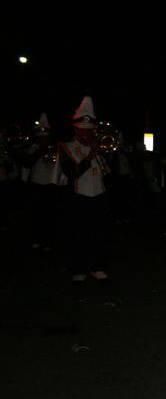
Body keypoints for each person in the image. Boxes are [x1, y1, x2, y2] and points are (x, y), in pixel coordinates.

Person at [57, 97, 113, 282]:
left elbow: (112, 172)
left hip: (99, 195)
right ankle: (79, 269)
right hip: (78, 196)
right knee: (79, 235)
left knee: (101, 234)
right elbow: (70, 172)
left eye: (90, 130)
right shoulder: (66, 146)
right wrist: (89, 157)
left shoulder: (99, 146)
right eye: (83, 130)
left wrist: (106, 155)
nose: (87, 134)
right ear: (76, 128)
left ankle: (98, 267)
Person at [19, 114, 60, 251]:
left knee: (50, 216)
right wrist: (40, 151)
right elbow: (27, 164)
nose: (43, 139)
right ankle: (36, 239)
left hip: (51, 185)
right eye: (40, 136)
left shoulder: (55, 149)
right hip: (35, 186)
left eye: (45, 136)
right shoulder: (30, 149)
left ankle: (49, 241)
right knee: (35, 215)